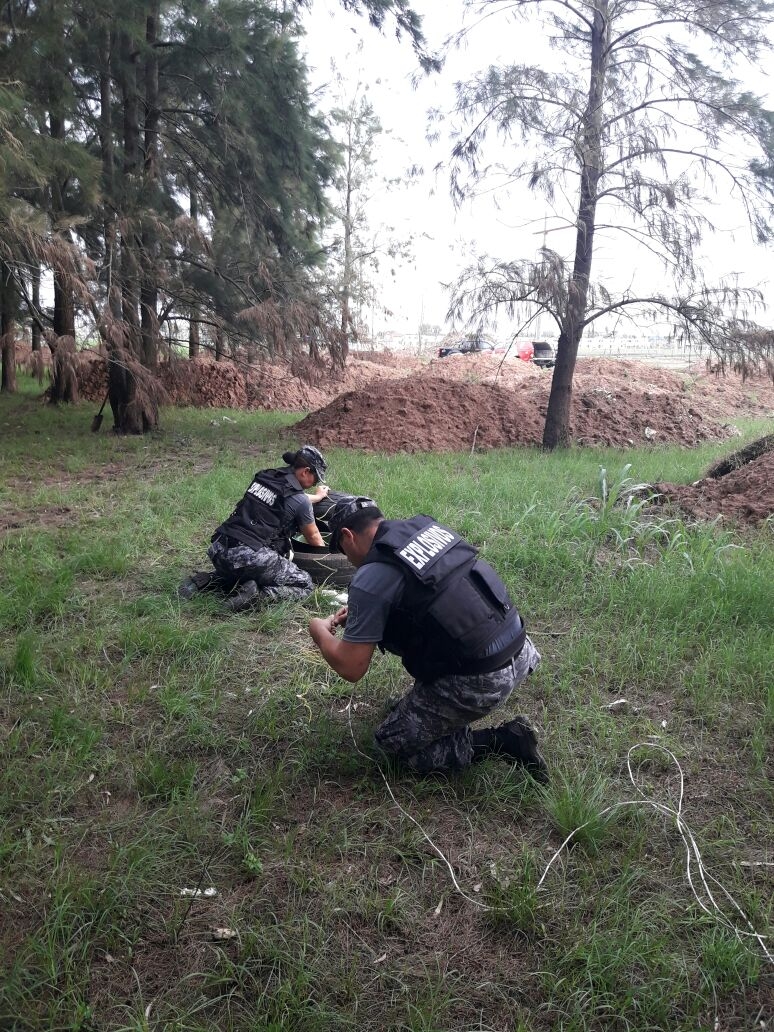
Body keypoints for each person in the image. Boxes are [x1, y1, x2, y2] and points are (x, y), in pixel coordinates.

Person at [308, 497, 548, 782]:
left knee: (390, 747)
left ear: (347, 536)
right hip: (519, 650)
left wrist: (318, 630)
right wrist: (366, 615)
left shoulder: (370, 576)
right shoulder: (425, 529)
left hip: (483, 678)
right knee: (406, 711)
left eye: (341, 549)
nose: (347, 558)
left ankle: (503, 740)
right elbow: (438, 596)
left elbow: (352, 667)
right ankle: (434, 711)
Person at [180, 446, 330, 612]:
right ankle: (256, 597)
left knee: (243, 568)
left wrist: (316, 497)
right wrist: (330, 558)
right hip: (248, 555)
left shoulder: (265, 477)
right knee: (305, 584)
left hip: (219, 548)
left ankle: (205, 581)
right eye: (315, 479)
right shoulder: (300, 501)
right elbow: (313, 536)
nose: (314, 484)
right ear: (305, 472)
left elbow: (289, 498)